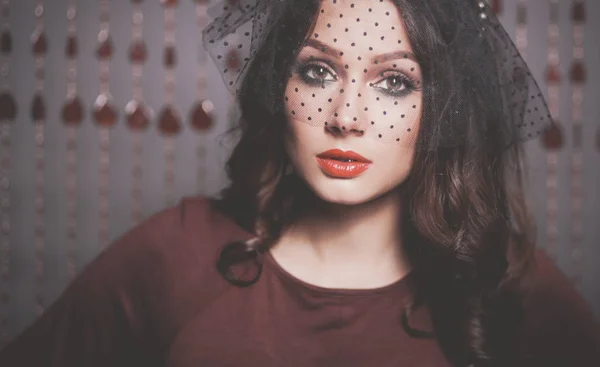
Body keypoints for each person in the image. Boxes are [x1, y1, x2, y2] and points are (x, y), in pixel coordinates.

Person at [1, 0, 599, 366]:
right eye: (317, 71)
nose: (345, 114)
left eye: (394, 83)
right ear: (277, 88)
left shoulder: (506, 283)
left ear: (444, 109)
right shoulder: (175, 255)